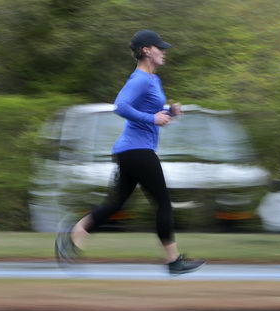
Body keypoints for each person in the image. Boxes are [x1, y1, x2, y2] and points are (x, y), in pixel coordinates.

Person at [55, 30, 206, 275]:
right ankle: (174, 261)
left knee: (115, 204)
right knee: (163, 204)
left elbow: (149, 111)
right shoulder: (140, 79)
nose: (164, 51)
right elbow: (121, 106)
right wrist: (152, 118)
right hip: (138, 151)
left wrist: (169, 111)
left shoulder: (153, 79)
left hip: (130, 150)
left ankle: (73, 237)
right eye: (160, 48)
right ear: (147, 51)